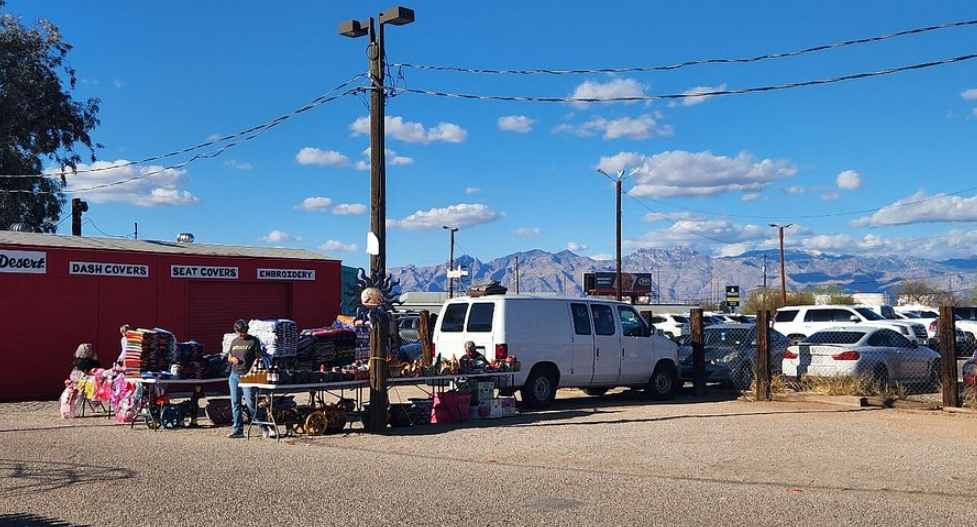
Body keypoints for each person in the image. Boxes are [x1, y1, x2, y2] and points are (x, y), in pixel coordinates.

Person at [226, 319, 263, 439]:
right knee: (235, 403)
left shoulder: (253, 341)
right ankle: (237, 429)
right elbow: (229, 357)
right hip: (234, 375)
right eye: (240, 332)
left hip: (248, 375)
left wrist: (252, 370)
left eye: (245, 331)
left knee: (251, 403)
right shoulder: (234, 341)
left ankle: (263, 426)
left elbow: (258, 358)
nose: (243, 333)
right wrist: (233, 360)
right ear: (236, 331)